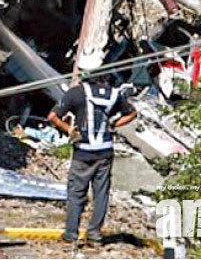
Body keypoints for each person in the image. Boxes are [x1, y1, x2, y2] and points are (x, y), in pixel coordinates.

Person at [48, 54, 138, 246]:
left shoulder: (76, 93)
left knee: (76, 193)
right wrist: (114, 124)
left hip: (83, 151)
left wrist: (68, 129)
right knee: (101, 194)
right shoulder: (114, 94)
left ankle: (71, 234)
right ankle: (94, 235)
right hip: (105, 152)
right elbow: (132, 113)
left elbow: (53, 116)